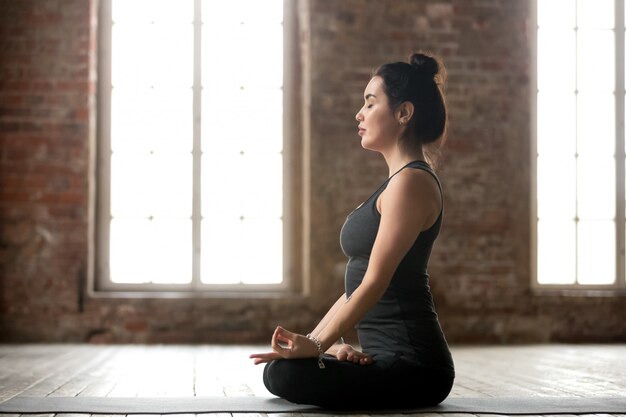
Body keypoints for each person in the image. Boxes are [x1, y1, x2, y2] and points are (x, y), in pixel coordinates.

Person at [249, 52, 454, 410]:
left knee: (287, 375)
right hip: (383, 359)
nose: (359, 114)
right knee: (281, 369)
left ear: (404, 113)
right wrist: (325, 343)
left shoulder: (412, 183)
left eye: (370, 103)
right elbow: (356, 288)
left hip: (417, 368)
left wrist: (314, 348)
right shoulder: (395, 184)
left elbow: (375, 281)